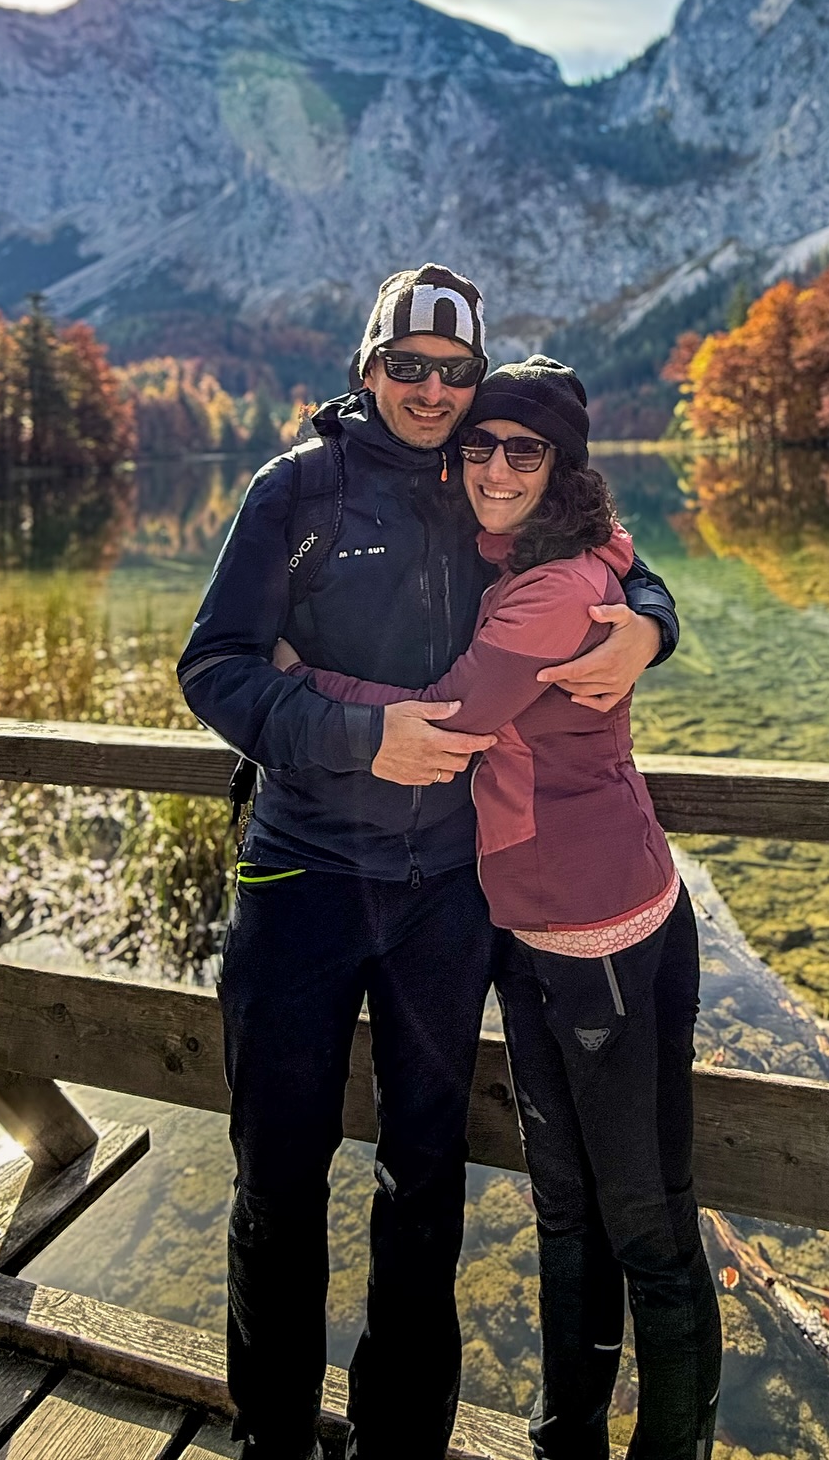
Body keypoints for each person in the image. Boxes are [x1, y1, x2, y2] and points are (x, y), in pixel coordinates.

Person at [178, 268, 679, 1460]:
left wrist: (656, 624)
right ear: (368, 367)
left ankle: (401, 1439)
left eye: (457, 373)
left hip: (447, 897)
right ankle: (277, 1435)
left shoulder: (489, 489)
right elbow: (217, 669)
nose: (435, 393)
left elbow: (616, 557)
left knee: (425, 1180)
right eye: (410, 367)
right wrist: (361, 736)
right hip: (301, 876)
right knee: (278, 1177)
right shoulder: (292, 491)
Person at [276, 356, 720, 1460]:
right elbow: (634, 565)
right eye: (482, 445)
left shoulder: (546, 586)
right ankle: (566, 1437)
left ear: (562, 465)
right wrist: (653, 618)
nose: (496, 467)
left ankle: (670, 1448)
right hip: (543, 919)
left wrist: (305, 681)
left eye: (526, 451)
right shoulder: (550, 553)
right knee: (568, 1210)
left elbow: (452, 721)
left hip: (596, 922)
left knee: (647, 1225)